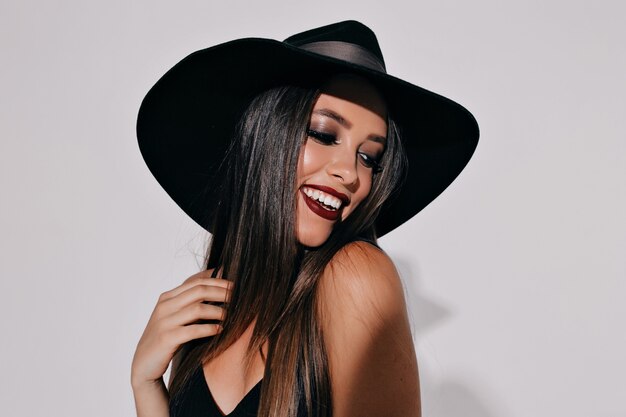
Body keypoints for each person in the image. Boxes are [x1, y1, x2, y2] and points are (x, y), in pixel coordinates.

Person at [131, 21, 479, 417]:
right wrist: (146, 385)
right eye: (324, 134)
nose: (350, 173)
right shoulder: (207, 306)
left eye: (370, 158)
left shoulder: (356, 276)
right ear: (267, 134)